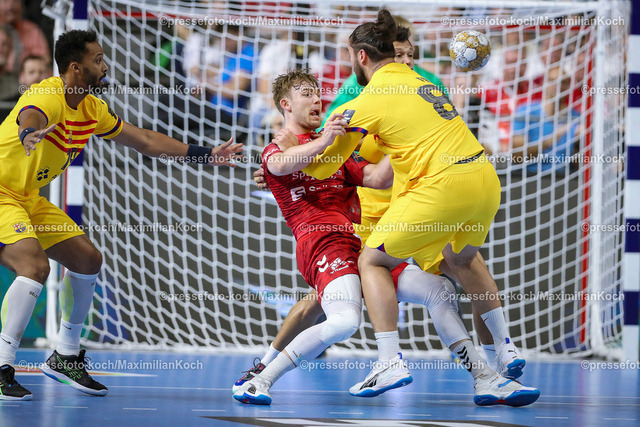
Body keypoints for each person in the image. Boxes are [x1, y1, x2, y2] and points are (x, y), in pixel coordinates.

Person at [233, 70, 539, 407]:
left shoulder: (335, 150)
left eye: (318, 92)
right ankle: (259, 380)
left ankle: (485, 379)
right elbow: (279, 166)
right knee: (344, 321)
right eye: (306, 93)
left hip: (356, 244)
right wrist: (323, 141)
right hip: (322, 246)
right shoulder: (280, 146)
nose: (317, 98)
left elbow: (377, 178)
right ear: (286, 104)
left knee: (440, 290)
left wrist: (410, 139)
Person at [284, 9, 532, 393]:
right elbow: (383, 167)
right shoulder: (423, 82)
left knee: (371, 262)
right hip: (480, 180)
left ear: (361, 56)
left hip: (431, 193)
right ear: (394, 53)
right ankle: (497, 361)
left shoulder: (368, 96)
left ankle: (389, 362)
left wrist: (282, 159)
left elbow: (323, 166)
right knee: (460, 264)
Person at [0, 30, 242, 401]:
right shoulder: (48, 94)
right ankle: (2, 366)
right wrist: (29, 131)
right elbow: (31, 114)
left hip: (28, 198)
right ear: (76, 68)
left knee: (87, 260)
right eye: (97, 60)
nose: (105, 66)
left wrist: (205, 154)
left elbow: (144, 140)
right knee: (33, 267)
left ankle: (65, 356)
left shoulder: (92, 109)